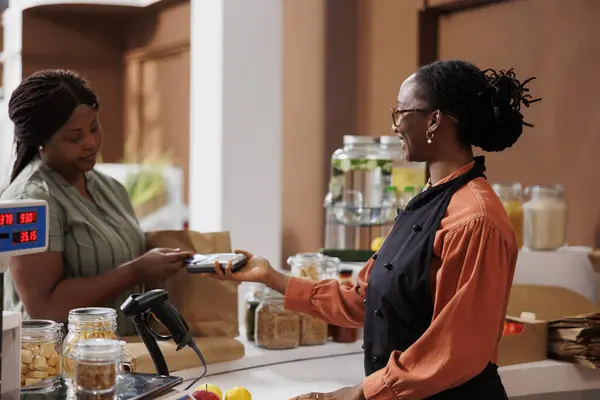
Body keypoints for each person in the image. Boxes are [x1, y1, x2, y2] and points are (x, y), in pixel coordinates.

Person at [212, 60, 541, 399]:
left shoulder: (477, 220)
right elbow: (365, 300)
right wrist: (271, 277)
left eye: (401, 112)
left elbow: (455, 351)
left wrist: (354, 394)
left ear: (434, 120)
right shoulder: (428, 201)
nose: (395, 126)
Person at [1, 70, 194, 336]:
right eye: (74, 137)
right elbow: (45, 308)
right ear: (40, 141)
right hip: (59, 366)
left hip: (122, 357)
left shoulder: (111, 188)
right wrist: (135, 271)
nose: (90, 143)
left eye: (94, 128)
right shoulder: (30, 199)